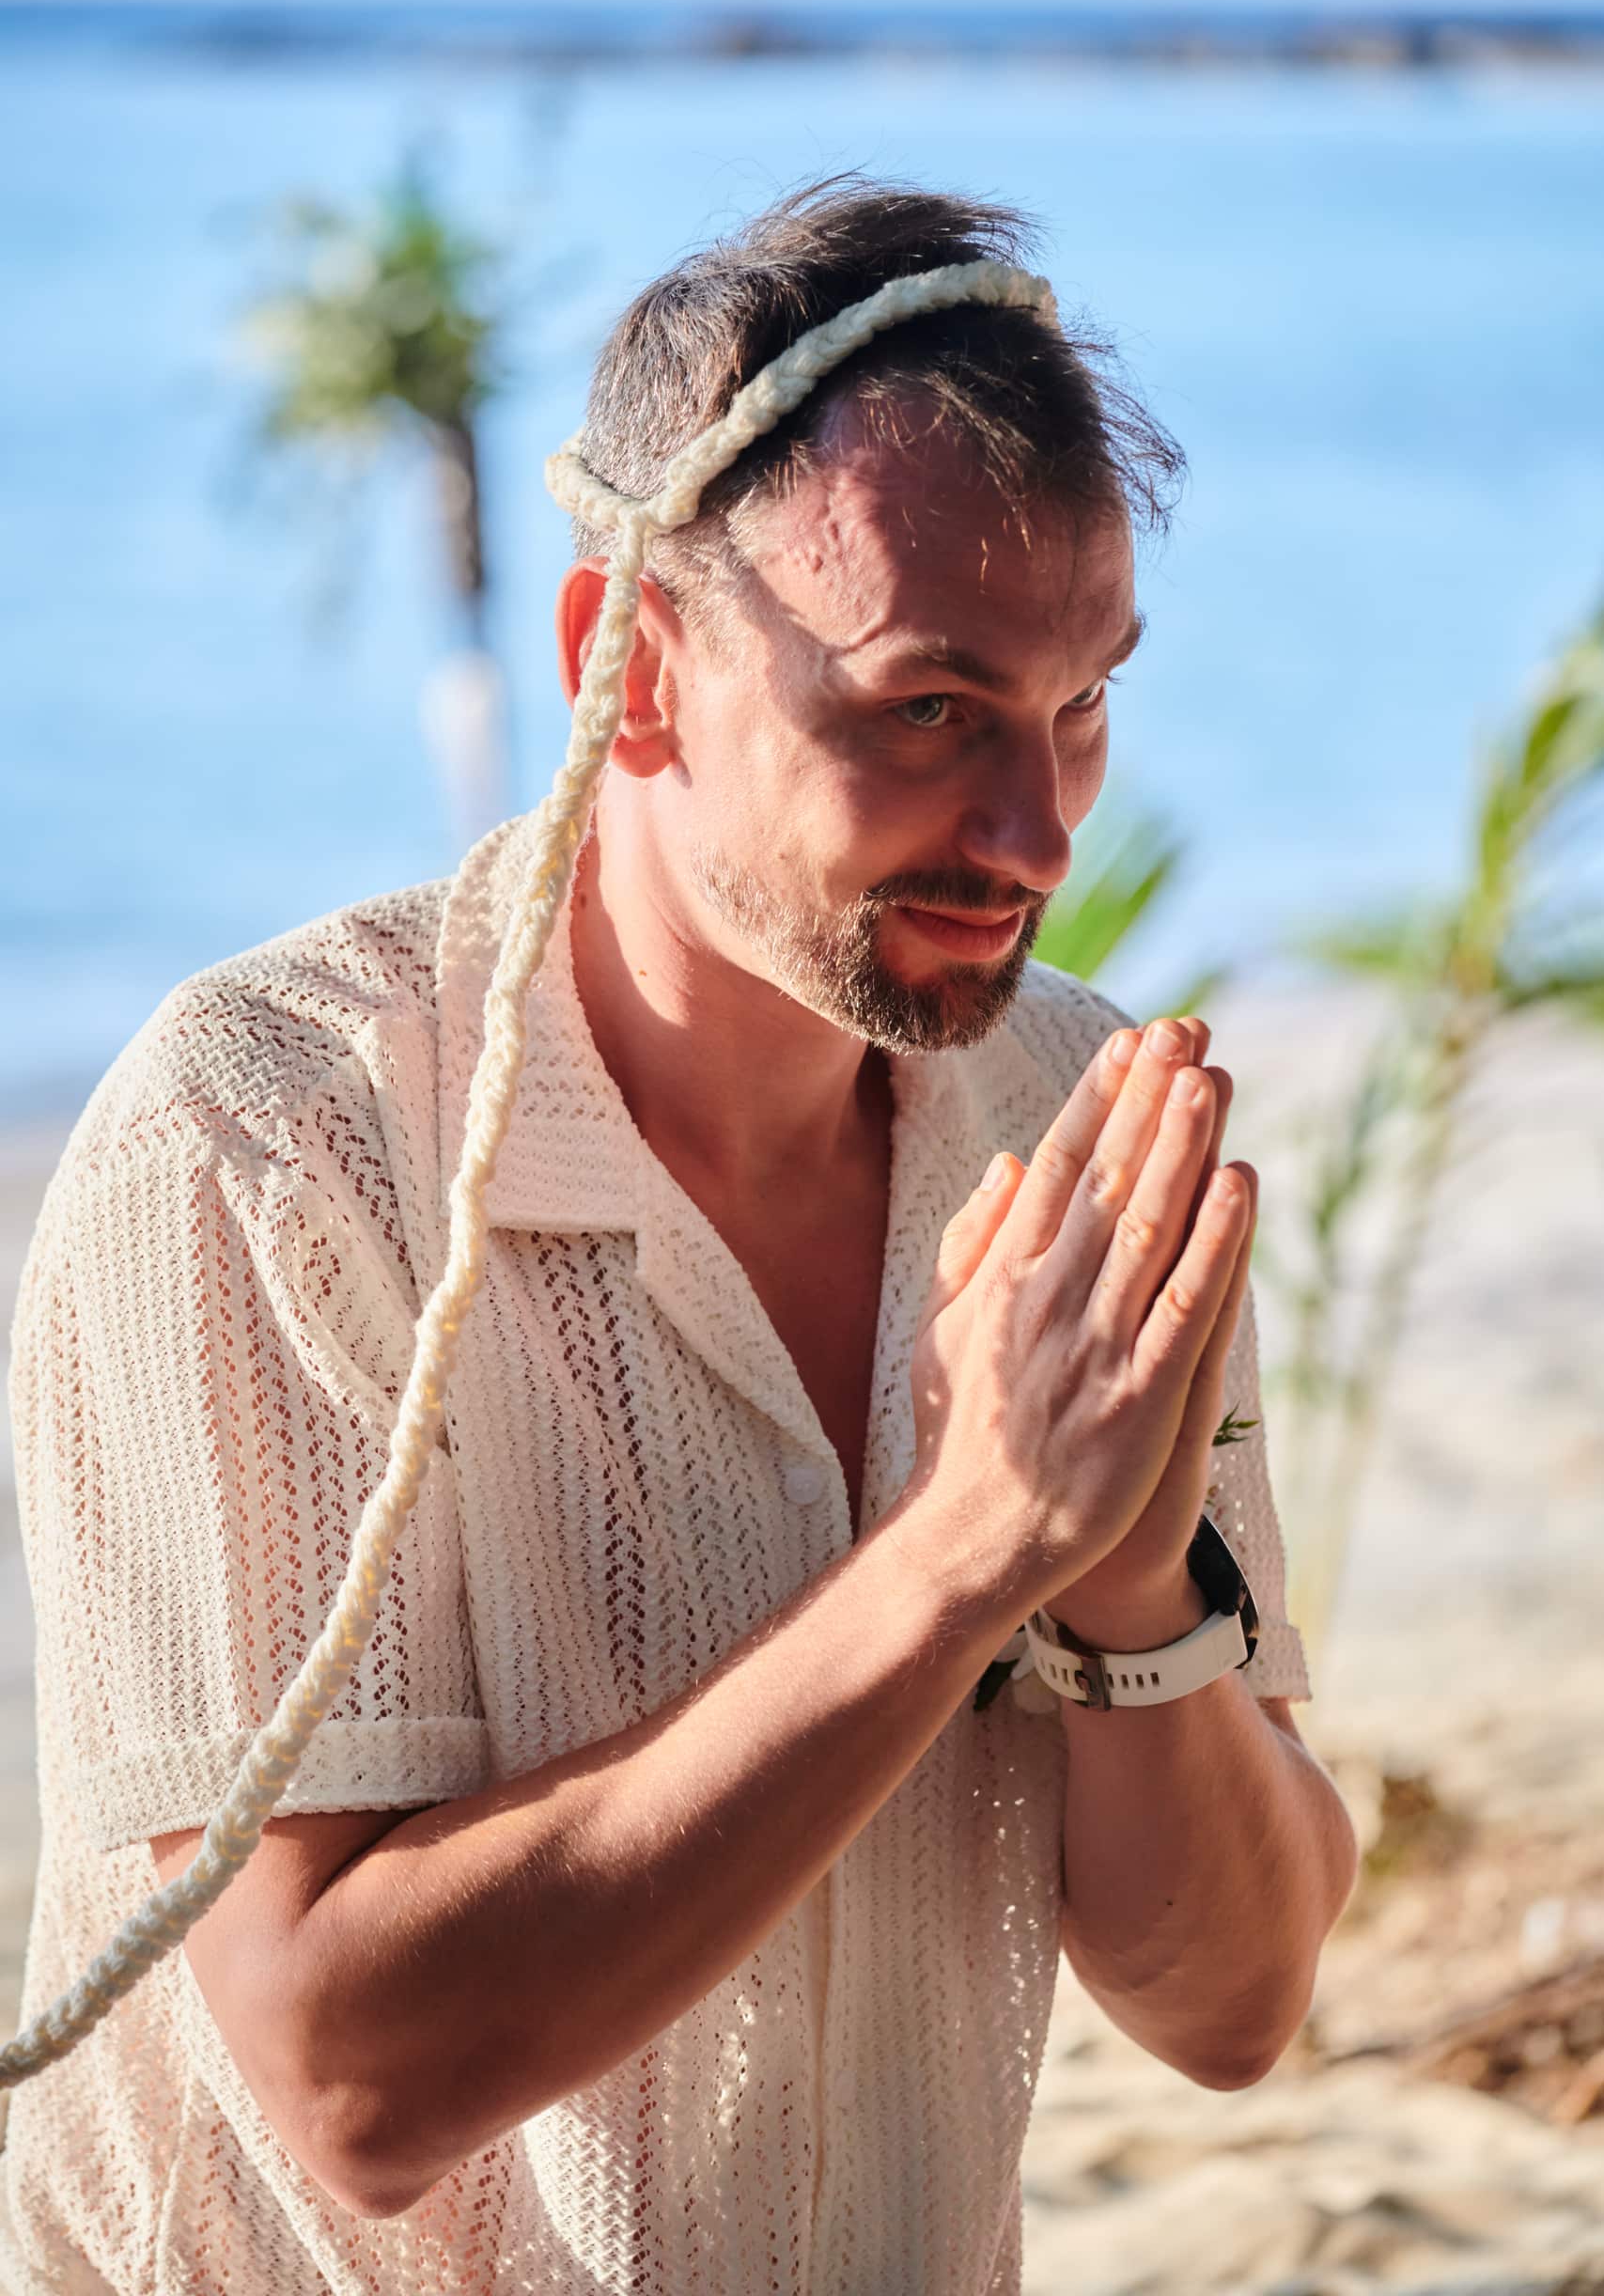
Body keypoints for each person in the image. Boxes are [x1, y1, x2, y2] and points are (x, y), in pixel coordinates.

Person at [1, 173, 1358, 2296]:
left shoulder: (1075, 1132)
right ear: (625, 665)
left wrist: (1118, 1579)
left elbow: (1230, 2003)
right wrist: (961, 1546)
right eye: (927, 707)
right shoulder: (258, 1147)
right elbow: (349, 2073)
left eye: (1078, 698)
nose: (1036, 834)